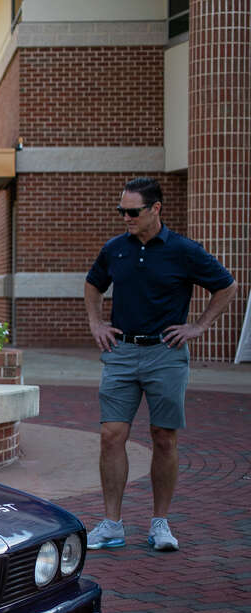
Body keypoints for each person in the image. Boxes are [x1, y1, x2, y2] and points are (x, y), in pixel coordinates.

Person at [83, 177, 236, 552]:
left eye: (133, 211)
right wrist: (96, 323)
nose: (126, 217)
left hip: (165, 355)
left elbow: (226, 286)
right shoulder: (115, 249)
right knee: (111, 435)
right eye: (121, 211)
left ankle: (160, 524)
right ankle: (112, 524)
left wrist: (198, 326)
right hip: (121, 352)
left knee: (164, 438)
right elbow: (93, 284)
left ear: (156, 209)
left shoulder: (184, 251)